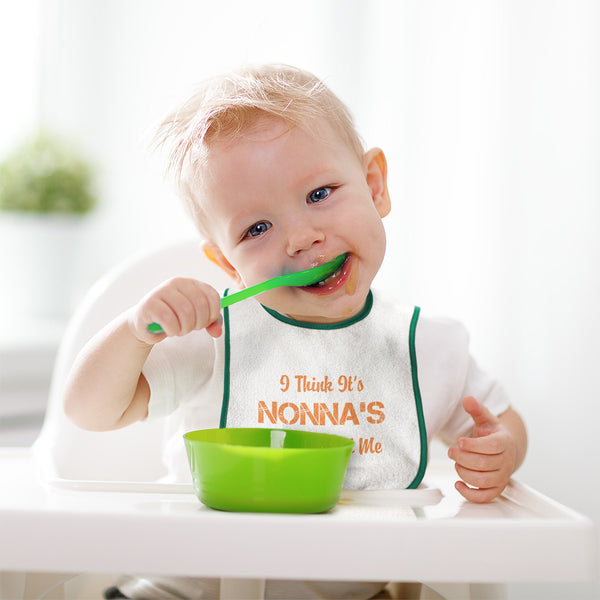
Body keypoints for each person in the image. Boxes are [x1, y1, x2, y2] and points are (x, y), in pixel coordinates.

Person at [64, 64, 527, 600]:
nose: (302, 239)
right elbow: (90, 411)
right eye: (257, 228)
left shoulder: (426, 345)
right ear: (227, 263)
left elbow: (500, 423)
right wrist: (132, 332)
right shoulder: (216, 337)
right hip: (187, 590)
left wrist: (501, 451)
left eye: (320, 193)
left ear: (374, 186)